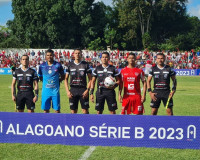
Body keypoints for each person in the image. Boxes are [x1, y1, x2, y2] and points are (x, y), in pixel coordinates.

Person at [64, 49, 92, 114]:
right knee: (73, 111)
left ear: (81, 54)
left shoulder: (85, 64)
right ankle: (74, 124)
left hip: (83, 90)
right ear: (73, 54)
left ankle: (86, 124)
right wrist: (68, 91)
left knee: (85, 111)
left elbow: (90, 79)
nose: (77, 54)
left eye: (79, 53)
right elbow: (66, 79)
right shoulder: (70, 65)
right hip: (73, 90)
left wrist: (87, 90)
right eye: (76, 53)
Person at [38, 49, 65, 113]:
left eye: (51, 55)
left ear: (53, 56)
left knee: (57, 110)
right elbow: (40, 76)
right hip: (45, 92)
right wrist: (46, 82)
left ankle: (58, 122)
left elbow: (63, 76)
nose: (49, 57)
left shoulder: (58, 65)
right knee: (46, 110)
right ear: (45, 56)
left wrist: (58, 81)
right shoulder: (42, 66)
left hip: (55, 92)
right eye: (48, 55)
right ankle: (46, 122)